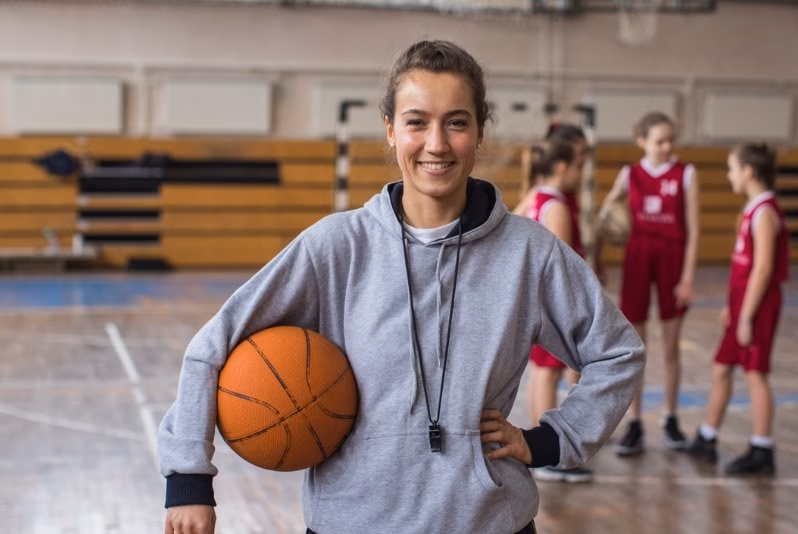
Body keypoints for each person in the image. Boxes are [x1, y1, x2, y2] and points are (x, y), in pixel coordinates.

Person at [158, 39, 644, 534]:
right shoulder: (336, 247)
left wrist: (549, 440)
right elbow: (213, 346)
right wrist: (189, 479)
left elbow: (618, 352)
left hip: (487, 522)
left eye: (456, 122)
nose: (436, 143)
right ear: (391, 130)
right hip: (353, 520)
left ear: (479, 133)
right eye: (417, 122)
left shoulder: (529, 253)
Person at [597, 111, 700, 456]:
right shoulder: (630, 173)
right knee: (637, 347)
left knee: (671, 346)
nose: (667, 146)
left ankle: (671, 418)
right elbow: (605, 211)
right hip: (638, 257)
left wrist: (687, 276)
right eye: (660, 141)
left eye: (671, 139)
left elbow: (695, 230)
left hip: (672, 258)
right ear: (642, 141)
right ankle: (635, 422)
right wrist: (606, 224)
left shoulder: (686, 173)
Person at [686, 143, 788, 476]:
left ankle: (763, 448)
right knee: (721, 368)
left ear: (747, 171)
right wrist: (733, 308)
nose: (729, 175)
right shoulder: (752, 209)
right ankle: (708, 436)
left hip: (757, 308)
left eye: (731, 168)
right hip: (743, 305)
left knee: (756, 375)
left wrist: (746, 316)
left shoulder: (765, 213)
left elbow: (763, 269)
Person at [520, 135, 594, 483]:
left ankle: (538, 447)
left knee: (539, 373)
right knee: (548, 373)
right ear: (562, 167)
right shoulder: (558, 206)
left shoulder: (535, 197)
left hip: (534, 300)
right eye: (579, 167)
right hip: (552, 305)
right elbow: (565, 267)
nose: (581, 174)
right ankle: (548, 455)